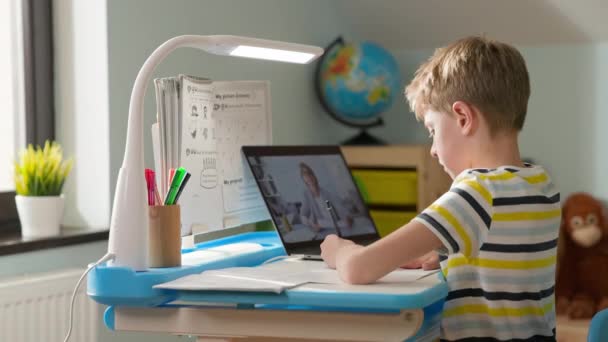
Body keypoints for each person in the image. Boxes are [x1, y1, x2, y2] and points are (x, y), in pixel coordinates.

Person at [320, 36, 560, 341]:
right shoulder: (540, 182)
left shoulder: (476, 193)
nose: (432, 150)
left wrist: (342, 249)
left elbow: (358, 269)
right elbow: (503, 260)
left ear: (463, 118)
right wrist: (446, 258)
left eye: (433, 130)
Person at [298, 162, 353, 237]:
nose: (308, 177)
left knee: (346, 223)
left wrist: (347, 216)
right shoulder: (306, 195)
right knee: (320, 222)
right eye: (305, 175)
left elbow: (340, 206)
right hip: (322, 225)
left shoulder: (326, 192)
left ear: (314, 176)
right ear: (304, 180)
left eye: (309, 174)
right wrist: (312, 225)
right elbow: (303, 215)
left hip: (333, 222)